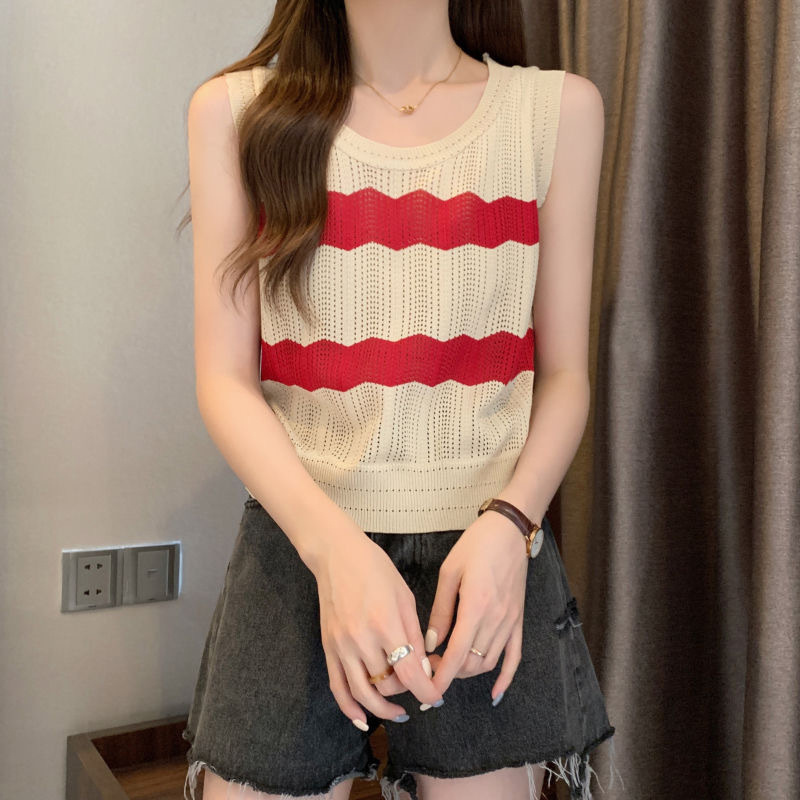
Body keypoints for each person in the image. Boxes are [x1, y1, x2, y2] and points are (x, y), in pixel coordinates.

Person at [179, 1, 615, 798]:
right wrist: (331, 549)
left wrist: (512, 524)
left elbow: (564, 375)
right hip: (301, 541)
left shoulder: (555, 113)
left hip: (487, 552)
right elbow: (224, 380)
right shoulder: (237, 115)